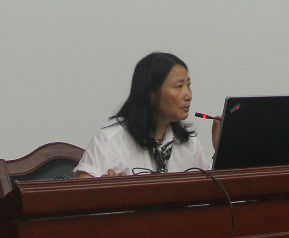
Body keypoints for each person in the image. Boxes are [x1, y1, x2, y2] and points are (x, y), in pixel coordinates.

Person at [74, 52, 218, 177]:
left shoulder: (188, 143)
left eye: (188, 85)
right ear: (151, 93)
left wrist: (221, 150)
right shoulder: (110, 140)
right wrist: (111, 191)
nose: (188, 95)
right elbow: (82, 193)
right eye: (179, 86)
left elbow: (215, 190)